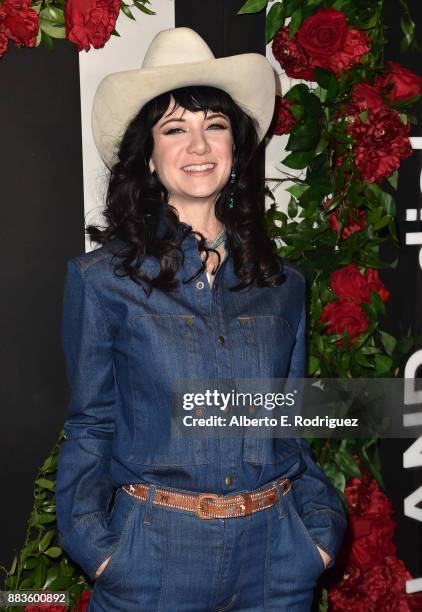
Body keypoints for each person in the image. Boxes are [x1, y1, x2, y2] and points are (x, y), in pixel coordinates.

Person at [56, 27, 347, 611]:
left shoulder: (283, 285)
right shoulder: (101, 280)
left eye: (213, 126)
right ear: (148, 153)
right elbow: (91, 426)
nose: (198, 145)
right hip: (152, 563)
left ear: (235, 148)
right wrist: (100, 548)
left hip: (278, 563)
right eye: (175, 129)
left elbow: (289, 425)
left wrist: (318, 534)